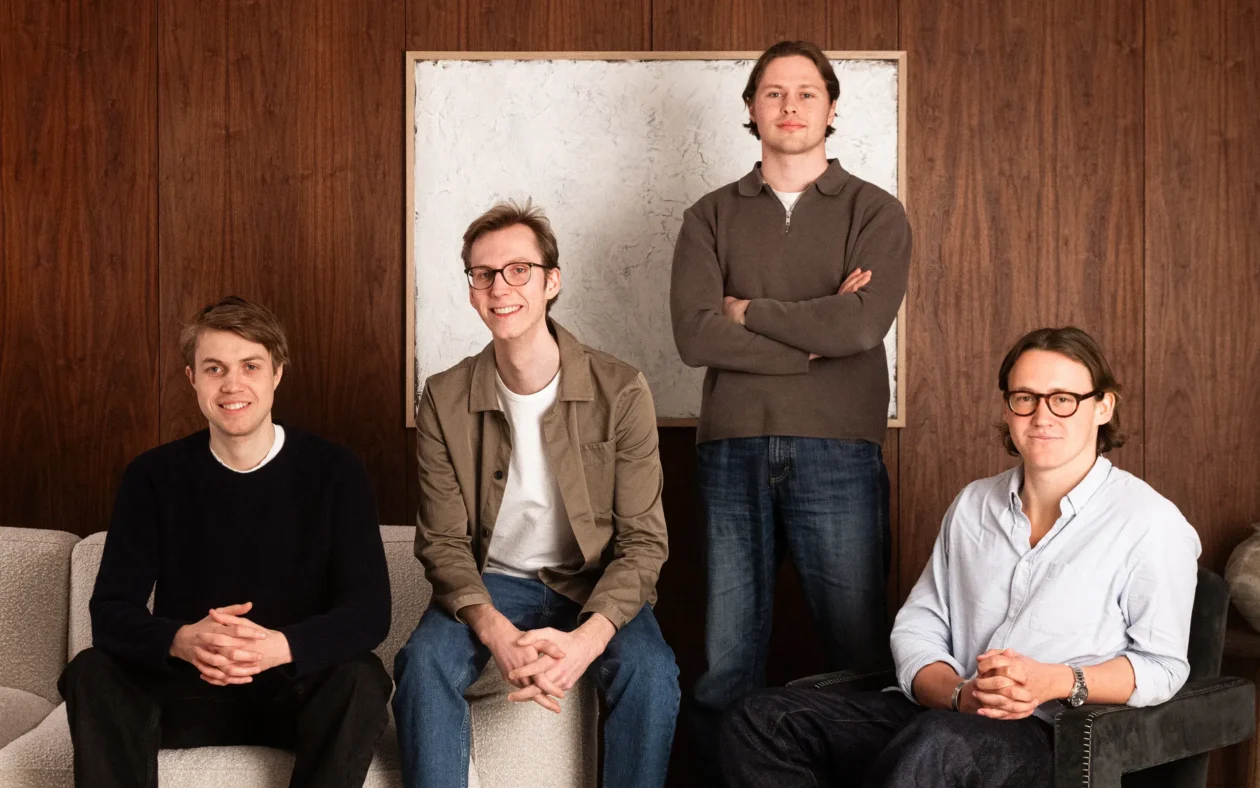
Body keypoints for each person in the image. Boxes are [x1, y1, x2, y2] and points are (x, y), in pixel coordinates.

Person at [720, 326, 1202, 788]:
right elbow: (919, 627)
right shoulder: (974, 504)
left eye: (1064, 399)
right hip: (947, 716)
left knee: (937, 746)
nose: (1042, 416)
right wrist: (958, 694)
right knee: (761, 720)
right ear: (1008, 409)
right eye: (1025, 398)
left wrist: (1053, 681)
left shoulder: (1150, 522)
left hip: (1054, 736)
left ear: (1102, 407)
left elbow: (1162, 667)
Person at [669, 39, 913, 771]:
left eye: (807, 93)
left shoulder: (876, 211)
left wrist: (748, 314)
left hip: (840, 451)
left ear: (832, 108)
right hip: (729, 451)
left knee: (860, 653)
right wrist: (812, 337)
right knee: (723, 663)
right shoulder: (707, 216)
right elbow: (692, 333)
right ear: (750, 109)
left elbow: (862, 325)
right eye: (774, 93)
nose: (790, 106)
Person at [393, 199, 680, 788]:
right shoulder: (443, 399)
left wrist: (585, 642)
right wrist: (498, 634)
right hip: (492, 581)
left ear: (552, 282)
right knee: (422, 665)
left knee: (652, 675)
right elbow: (443, 544)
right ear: (472, 289)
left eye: (519, 270)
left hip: (593, 581)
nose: (501, 288)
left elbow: (644, 544)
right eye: (483, 274)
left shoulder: (621, 390)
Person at [59, 295, 393, 788]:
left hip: (291, 692)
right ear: (193, 379)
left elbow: (369, 612)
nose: (232, 384)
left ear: (276, 373)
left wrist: (280, 646)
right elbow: (110, 610)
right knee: (92, 670)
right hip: (187, 691)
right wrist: (182, 640)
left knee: (362, 676)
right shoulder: (153, 475)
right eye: (214, 368)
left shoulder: (335, 471)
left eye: (250, 366)